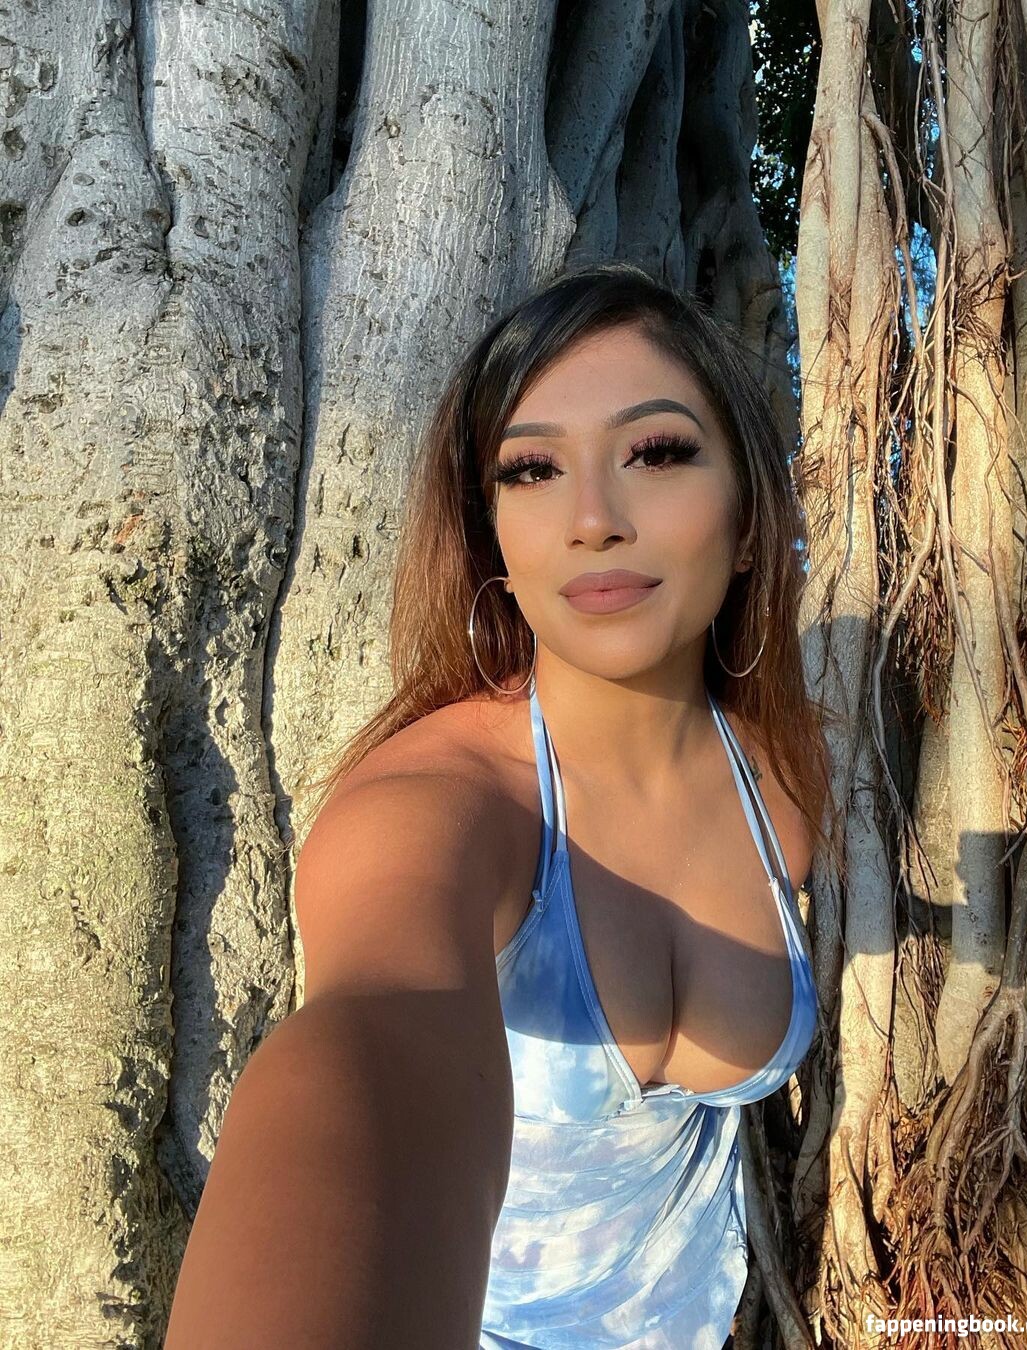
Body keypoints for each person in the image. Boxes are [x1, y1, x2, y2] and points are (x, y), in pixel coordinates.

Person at [163, 260, 834, 1349]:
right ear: (493, 544)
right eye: (532, 471)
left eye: (657, 452)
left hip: (711, 1315)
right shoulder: (432, 813)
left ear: (752, 517)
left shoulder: (786, 779)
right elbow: (374, 1051)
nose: (592, 518)